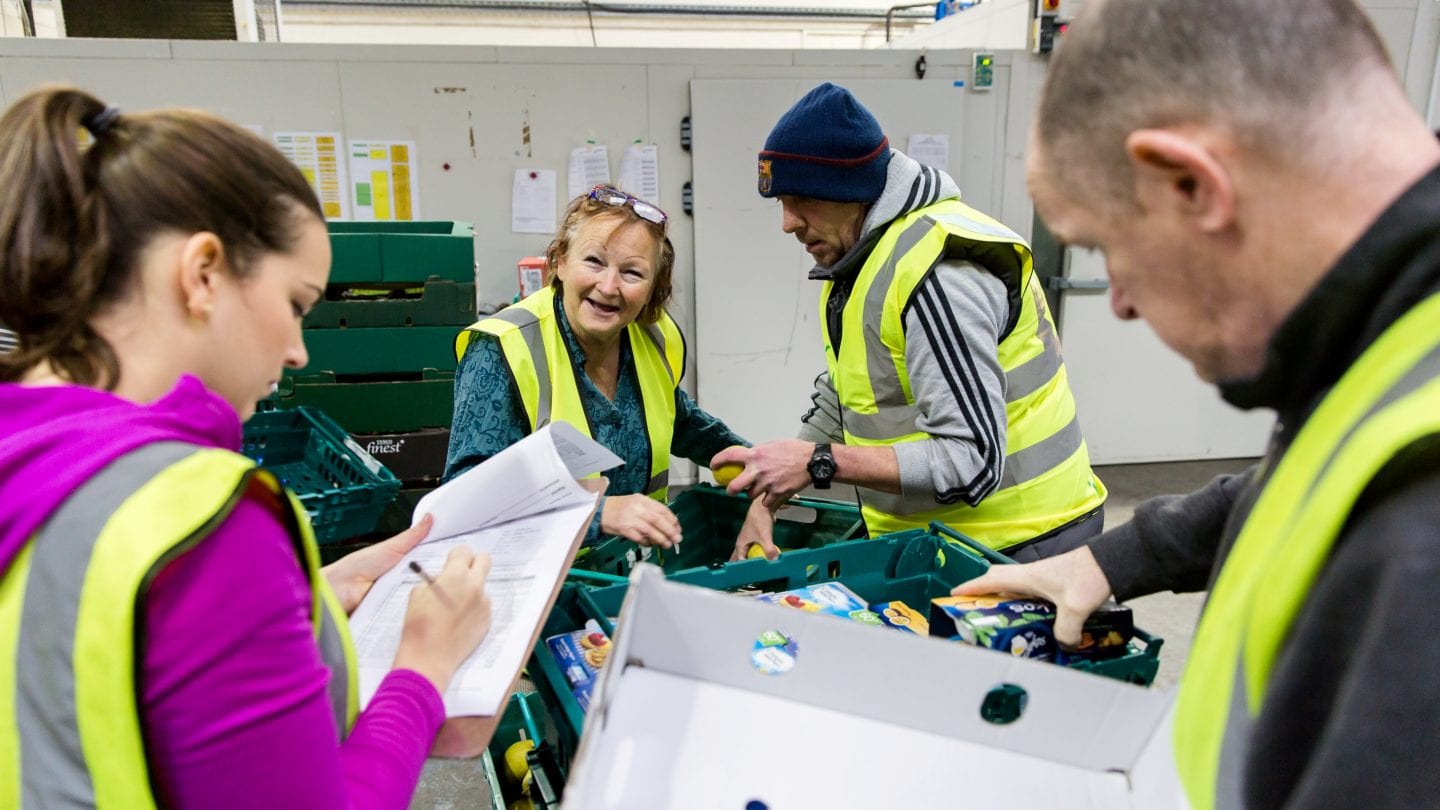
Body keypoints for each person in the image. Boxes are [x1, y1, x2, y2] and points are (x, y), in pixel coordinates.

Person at [953, 1, 1440, 806]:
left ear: (1191, 182)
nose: (1118, 303)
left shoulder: (1420, 536)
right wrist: (1111, 560)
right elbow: (1323, 476)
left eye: (1107, 245)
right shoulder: (1398, 338)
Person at [0, 86, 493, 809]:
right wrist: (423, 668)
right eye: (295, 303)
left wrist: (311, 596)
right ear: (202, 273)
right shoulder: (199, 524)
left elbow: (80, 648)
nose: (297, 350)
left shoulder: (33, 451)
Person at [716, 83, 1106, 561]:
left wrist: (818, 463)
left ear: (851, 190)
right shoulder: (865, 263)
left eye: (800, 199)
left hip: (1025, 544)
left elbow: (972, 461)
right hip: (955, 543)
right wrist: (769, 496)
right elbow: (850, 399)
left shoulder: (936, 274)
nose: (788, 222)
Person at [447, 185, 747, 549]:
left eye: (633, 273)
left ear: (654, 288)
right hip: (544, 586)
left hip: (633, 579)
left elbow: (678, 420)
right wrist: (599, 513)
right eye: (594, 261)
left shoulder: (652, 336)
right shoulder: (502, 350)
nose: (609, 286)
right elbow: (466, 498)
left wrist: (754, 464)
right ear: (559, 261)